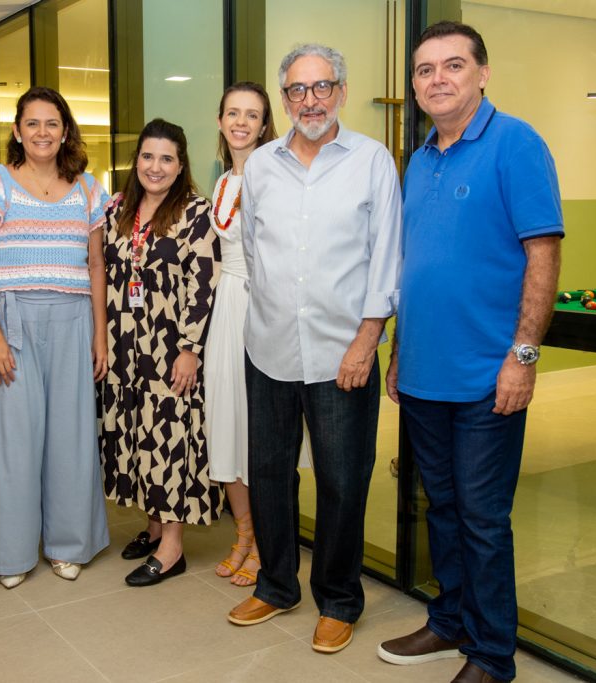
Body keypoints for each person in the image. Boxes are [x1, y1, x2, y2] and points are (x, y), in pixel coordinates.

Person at [378, 22, 563, 683]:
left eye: (453, 65)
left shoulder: (516, 143)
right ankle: (451, 619)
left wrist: (523, 356)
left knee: (484, 519)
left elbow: (543, 254)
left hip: (489, 376)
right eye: (425, 69)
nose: (437, 79)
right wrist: (399, 352)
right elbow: (415, 266)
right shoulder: (419, 160)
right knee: (443, 508)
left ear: (482, 74)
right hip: (424, 374)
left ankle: (491, 655)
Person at [226, 43, 402, 656]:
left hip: (342, 355)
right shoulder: (261, 166)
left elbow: (387, 257)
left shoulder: (372, 161)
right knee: (269, 475)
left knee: (342, 482)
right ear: (284, 98)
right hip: (269, 348)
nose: (310, 100)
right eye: (297, 90)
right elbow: (255, 251)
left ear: (342, 91)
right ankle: (276, 586)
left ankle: (338, 599)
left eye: (322, 86)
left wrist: (368, 339)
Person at [0, 86, 109, 588]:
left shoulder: (88, 189)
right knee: (14, 441)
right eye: (33, 123)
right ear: (17, 130)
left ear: (65, 130)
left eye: (52, 123)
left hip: (73, 319)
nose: (43, 133)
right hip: (12, 321)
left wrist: (100, 335)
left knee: (71, 436)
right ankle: (11, 554)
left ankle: (67, 545)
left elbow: (96, 265)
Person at [101, 118, 222, 587]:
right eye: (148, 156)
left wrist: (190, 348)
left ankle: (172, 548)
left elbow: (204, 284)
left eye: (166, 158)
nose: (155, 167)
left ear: (181, 164)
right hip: (124, 347)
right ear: (137, 160)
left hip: (170, 347)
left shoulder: (195, 212)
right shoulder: (118, 208)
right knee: (138, 434)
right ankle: (153, 527)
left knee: (169, 436)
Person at [205, 82, 277, 587]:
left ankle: (267, 545)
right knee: (225, 419)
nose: (241, 123)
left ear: (264, 124)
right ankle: (244, 534)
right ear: (220, 120)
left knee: (259, 428)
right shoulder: (223, 182)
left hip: (263, 303)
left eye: (252, 115)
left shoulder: (273, 176)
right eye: (233, 113)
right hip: (226, 304)